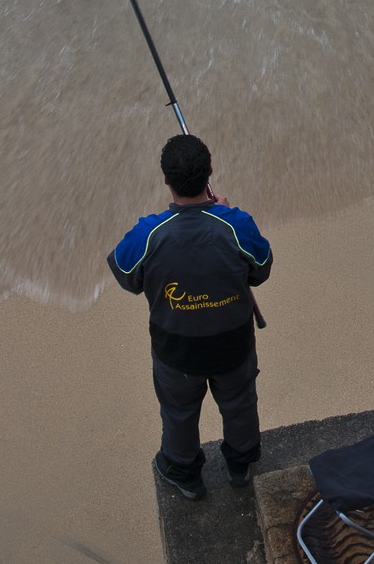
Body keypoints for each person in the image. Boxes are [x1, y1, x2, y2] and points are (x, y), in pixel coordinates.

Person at [108, 133, 273, 502]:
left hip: (176, 352)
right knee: (239, 403)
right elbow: (260, 270)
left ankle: (184, 474)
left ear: (166, 179)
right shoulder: (236, 225)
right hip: (234, 346)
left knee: (179, 412)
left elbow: (124, 273)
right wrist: (227, 213)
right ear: (209, 172)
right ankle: (240, 465)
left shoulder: (148, 234)